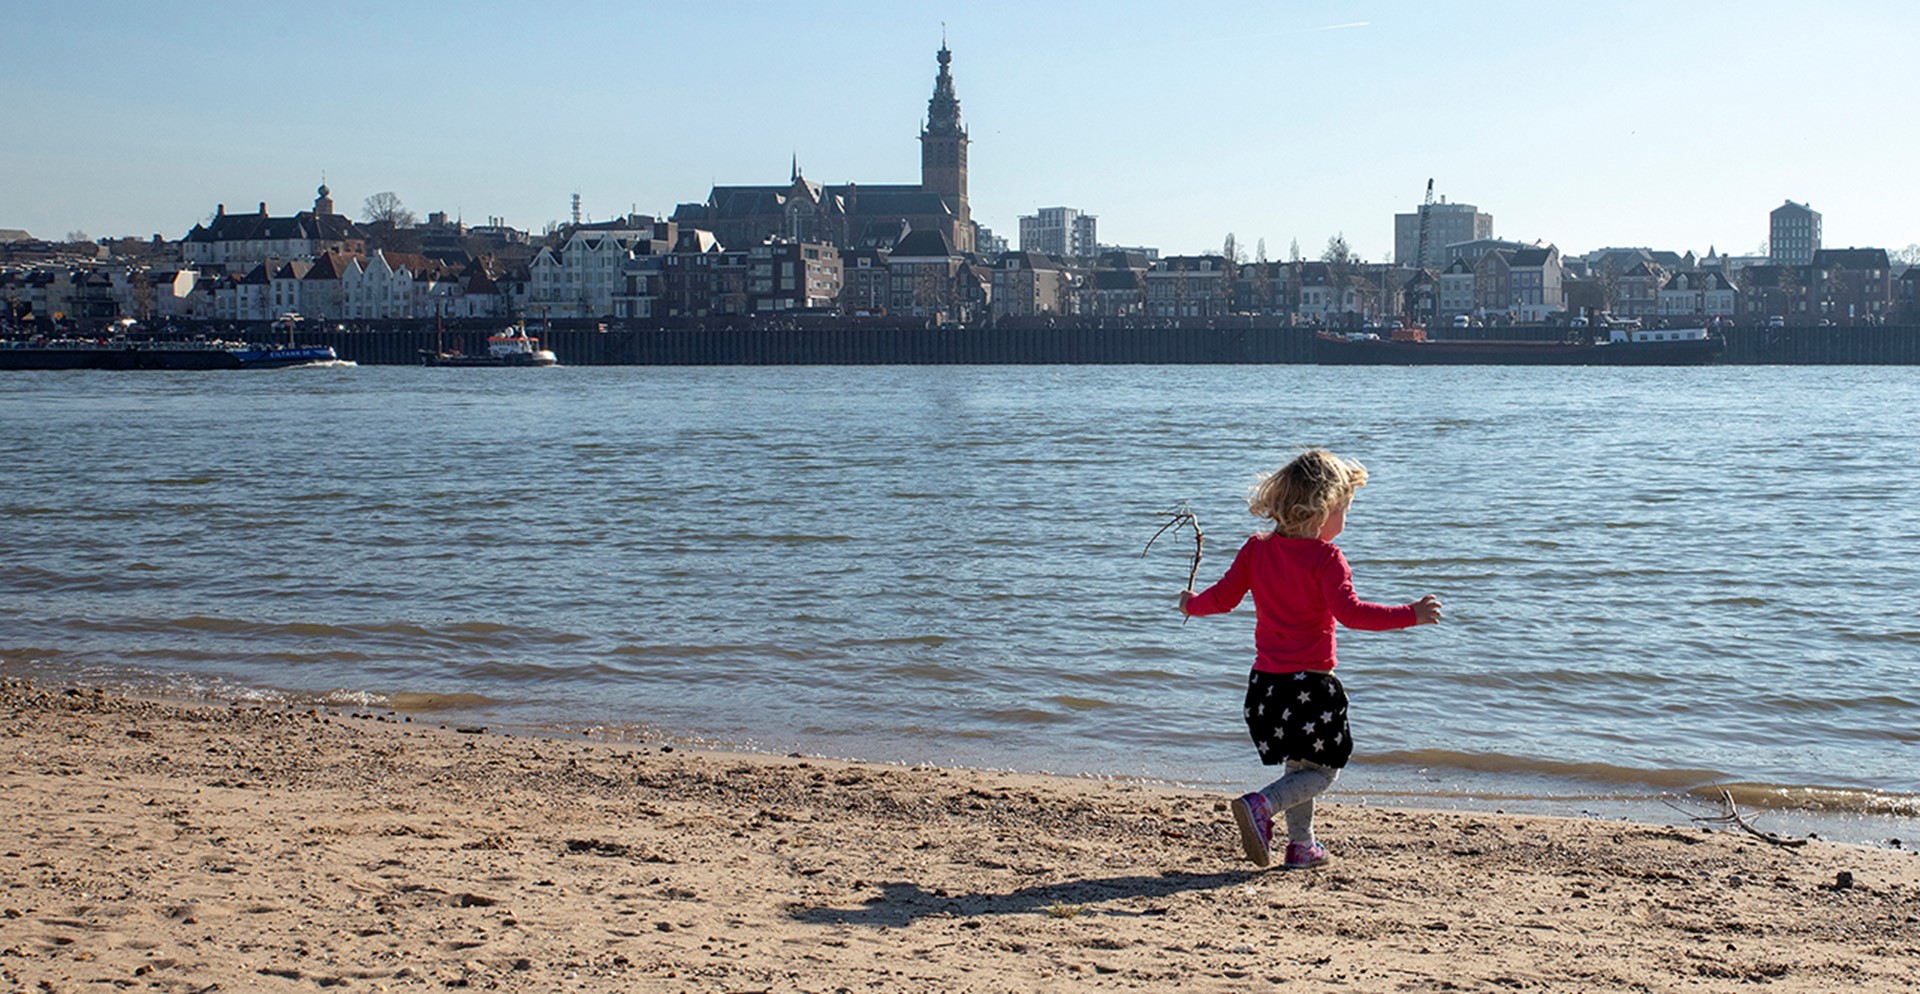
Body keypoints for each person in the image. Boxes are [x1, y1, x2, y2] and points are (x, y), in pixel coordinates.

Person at [1180, 449, 1441, 870]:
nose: (1345, 521)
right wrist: (1410, 615)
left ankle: (1302, 846)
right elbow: (1352, 614)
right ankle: (1261, 805)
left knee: (1299, 765)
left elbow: (1223, 599)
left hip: (1266, 686)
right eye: (1344, 510)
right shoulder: (1326, 558)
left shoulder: (1255, 550)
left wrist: (1192, 606)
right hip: (1311, 686)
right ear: (1322, 510)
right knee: (1324, 771)